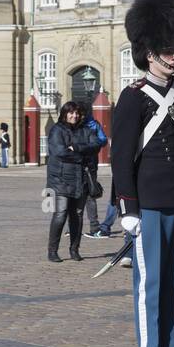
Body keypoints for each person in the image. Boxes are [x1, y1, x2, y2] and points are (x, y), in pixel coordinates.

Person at [110, 0, 174, 347]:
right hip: (148, 204)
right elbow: (121, 156)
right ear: (149, 53)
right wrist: (127, 207)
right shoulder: (133, 98)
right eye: (167, 50)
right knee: (151, 284)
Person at [45, 100, 95, 263]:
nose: (74, 115)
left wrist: (77, 148)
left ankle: (74, 249)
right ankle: (52, 251)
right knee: (60, 215)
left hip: (79, 179)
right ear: (65, 113)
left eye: (77, 113)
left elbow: (95, 145)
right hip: (59, 179)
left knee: (78, 216)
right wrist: (81, 155)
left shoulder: (85, 130)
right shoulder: (57, 130)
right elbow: (59, 152)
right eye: (71, 112)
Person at [82, 113, 110, 238]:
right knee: (89, 195)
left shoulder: (92, 125)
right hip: (90, 164)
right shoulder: (94, 124)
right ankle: (93, 226)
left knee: (88, 194)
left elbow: (103, 140)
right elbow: (103, 140)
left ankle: (92, 226)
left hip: (86, 165)